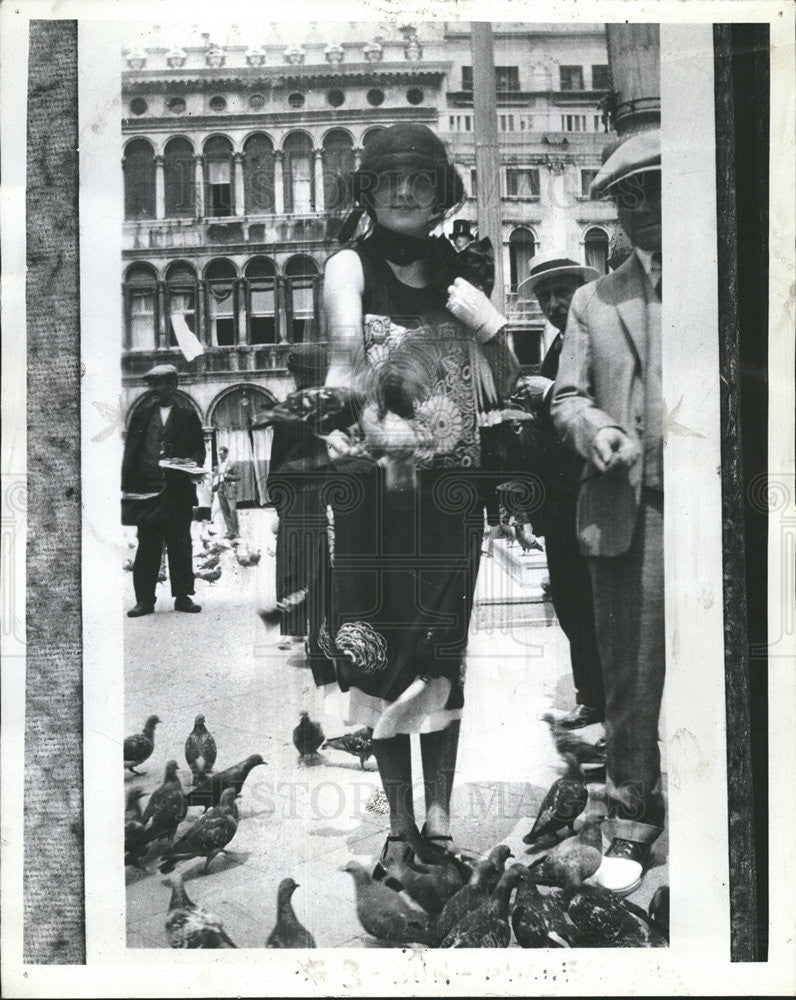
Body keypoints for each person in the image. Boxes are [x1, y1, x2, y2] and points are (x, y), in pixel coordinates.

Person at [319, 123, 519, 867]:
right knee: (376, 655)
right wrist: (381, 409)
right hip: (376, 492)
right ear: (368, 190)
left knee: (442, 657)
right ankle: (398, 826)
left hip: (450, 496)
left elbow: (500, 387)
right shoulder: (350, 266)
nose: (406, 191)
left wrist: (494, 327)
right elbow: (342, 373)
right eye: (391, 178)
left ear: (440, 192)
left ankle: (439, 819)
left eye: (422, 179)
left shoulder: (463, 270)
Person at [551, 129, 663, 895]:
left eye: (658, 190)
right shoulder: (593, 298)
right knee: (630, 679)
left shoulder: (745, 271)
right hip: (633, 510)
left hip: (728, 509)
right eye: (629, 198)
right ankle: (629, 820)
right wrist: (600, 430)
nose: (645, 209)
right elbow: (565, 395)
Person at [515, 250, 604, 729]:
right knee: (571, 603)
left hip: (587, 498)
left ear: (581, 290)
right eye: (544, 296)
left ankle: (604, 708)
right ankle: (592, 699)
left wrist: (545, 393)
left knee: (590, 605)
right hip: (559, 503)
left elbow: (597, 405)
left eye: (561, 291)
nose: (552, 302)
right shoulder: (558, 344)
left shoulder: (594, 338)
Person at [122, 363, 206, 616]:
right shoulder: (142, 414)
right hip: (148, 492)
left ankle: (183, 597)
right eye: (152, 384)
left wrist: (188, 464)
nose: (155, 389)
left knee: (180, 542)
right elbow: (132, 452)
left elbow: (198, 450)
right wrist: (127, 486)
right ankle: (145, 601)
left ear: (173, 385)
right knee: (147, 545)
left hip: (177, 491)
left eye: (160, 384)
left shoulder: (188, 415)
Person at [267, 344, 330, 646]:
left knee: (293, 562)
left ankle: (294, 628)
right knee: (323, 561)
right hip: (327, 495)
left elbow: (278, 459)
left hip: (294, 497)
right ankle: (321, 628)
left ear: (297, 373)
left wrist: (278, 501)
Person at [212, 445, 240, 539]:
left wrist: (227, 475)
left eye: (221, 454)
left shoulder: (232, 463)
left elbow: (238, 477)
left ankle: (236, 532)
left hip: (230, 488)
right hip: (220, 488)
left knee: (232, 510)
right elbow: (218, 477)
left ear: (226, 453)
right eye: (219, 454)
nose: (220, 456)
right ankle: (230, 532)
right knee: (225, 511)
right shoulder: (219, 465)